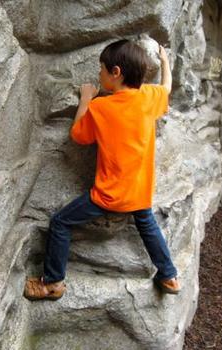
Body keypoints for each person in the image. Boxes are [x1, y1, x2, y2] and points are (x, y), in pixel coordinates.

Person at [24, 39, 181, 301]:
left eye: (101, 69)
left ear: (116, 72)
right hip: (140, 192)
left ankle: (52, 282)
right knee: (148, 225)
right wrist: (165, 62)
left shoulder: (101, 107)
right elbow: (166, 87)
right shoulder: (148, 98)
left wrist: (86, 99)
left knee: (60, 223)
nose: (99, 74)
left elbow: (78, 135)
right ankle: (169, 275)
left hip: (110, 196)